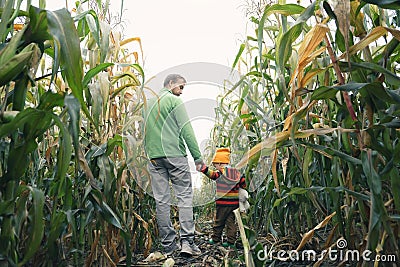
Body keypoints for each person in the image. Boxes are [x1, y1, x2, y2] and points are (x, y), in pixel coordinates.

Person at [143, 74, 203, 256]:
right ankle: (187, 243)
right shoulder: (173, 101)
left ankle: (168, 246)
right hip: (175, 155)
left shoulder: (148, 104)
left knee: (161, 200)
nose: (182, 92)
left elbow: (143, 130)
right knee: (184, 197)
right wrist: (197, 157)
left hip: (154, 157)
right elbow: (186, 129)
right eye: (181, 87)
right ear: (170, 84)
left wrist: (149, 153)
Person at [199, 147, 246, 248]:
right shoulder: (236, 173)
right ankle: (231, 241)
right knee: (231, 222)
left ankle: (216, 239)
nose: (215, 167)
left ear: (220, 163)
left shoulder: (220, 173)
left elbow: (212, 175)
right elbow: (243, 182)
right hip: (234, 204)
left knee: (219, 221)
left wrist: (204, 169)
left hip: (222, 203)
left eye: (215, 165)